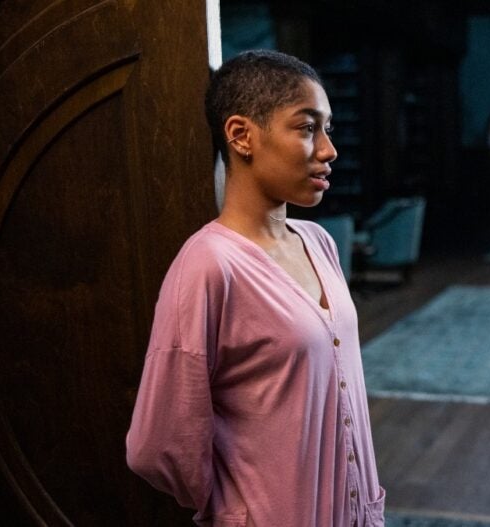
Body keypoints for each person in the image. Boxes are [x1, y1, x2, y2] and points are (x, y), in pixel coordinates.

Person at [126, 50, 385, 526]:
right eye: (307, 128)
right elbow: (156, 445)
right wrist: (238, 506)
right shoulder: (208, 265)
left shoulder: (319, 242)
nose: (329, 149)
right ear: (242, 135)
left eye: (328, 129)